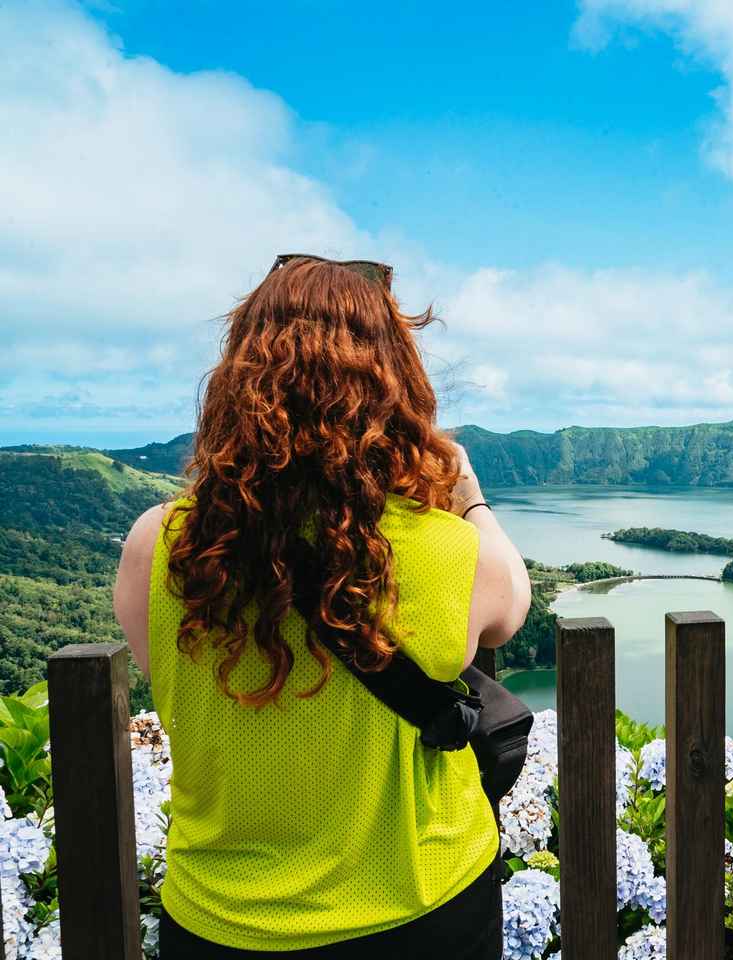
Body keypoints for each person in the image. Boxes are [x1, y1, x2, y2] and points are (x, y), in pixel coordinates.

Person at [112, 255, 531, 958]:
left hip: (222, 917)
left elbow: (168, 677)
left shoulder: (158, 545)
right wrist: (468, 496)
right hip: (423, 903)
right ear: (394, 389)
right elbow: (511, 606)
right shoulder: (449, 551)